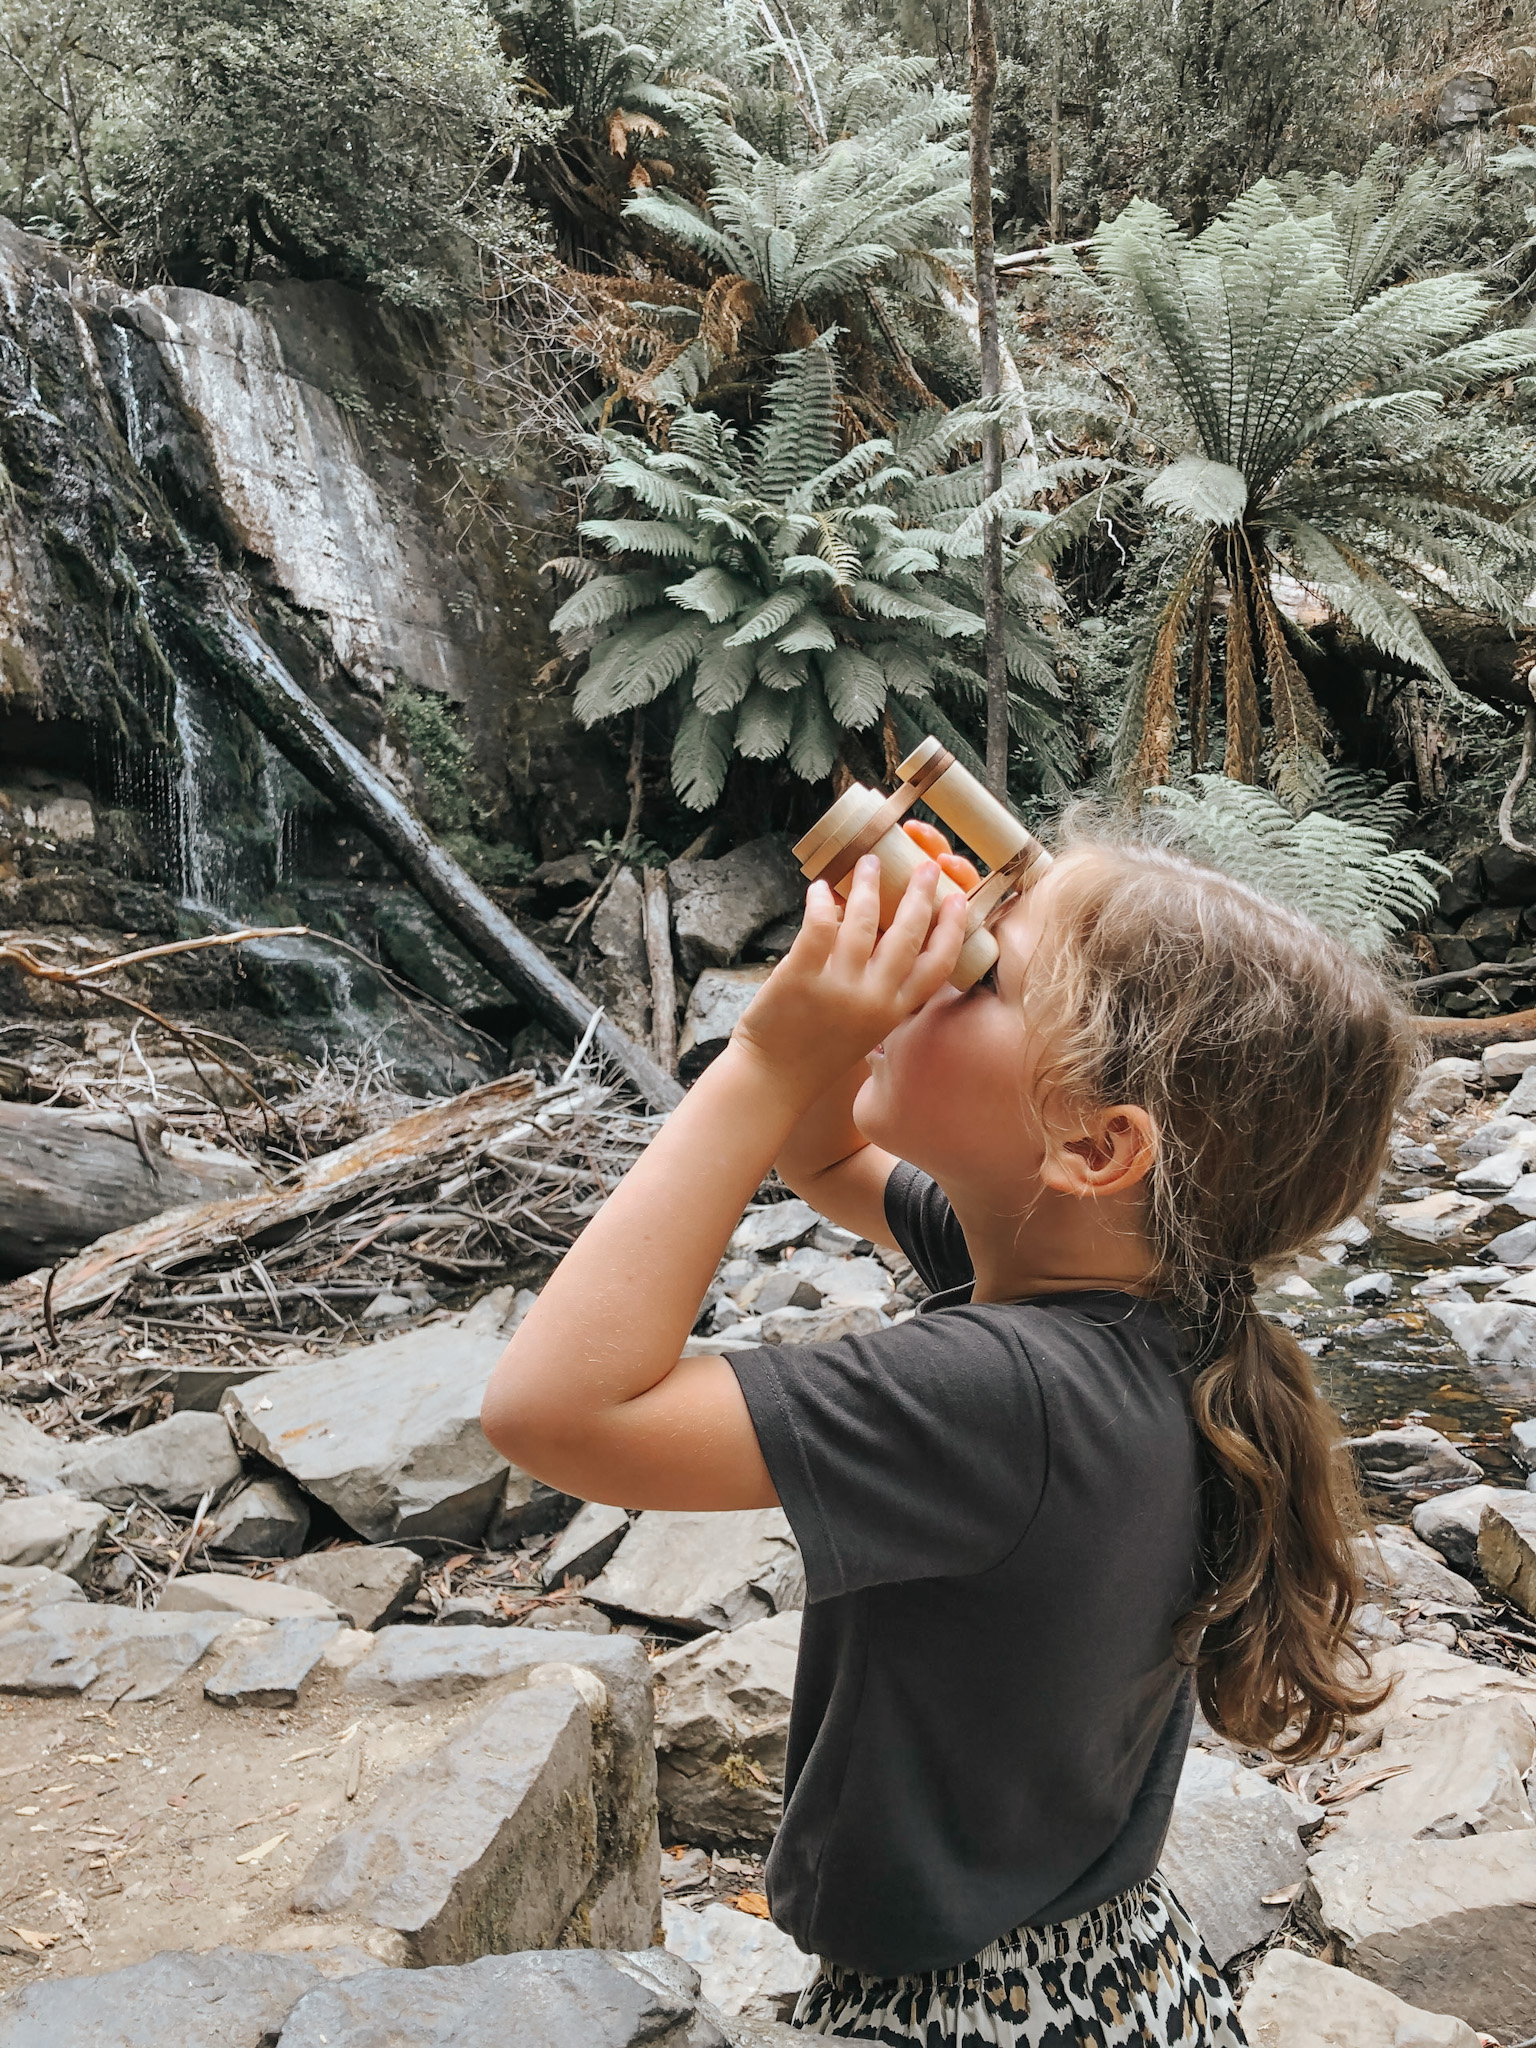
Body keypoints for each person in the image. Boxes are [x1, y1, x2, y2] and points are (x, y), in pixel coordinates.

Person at [481, 831, 1417, 2045]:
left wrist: (772, 1049)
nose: (939, 966)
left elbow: (554, 1412)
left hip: (967, 2012)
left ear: (1094, 1145)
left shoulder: (1008, 1392)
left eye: (977, 971)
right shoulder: (1140, 1290)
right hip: (1104, 1968)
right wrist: (852, 984)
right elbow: (822, 1154)